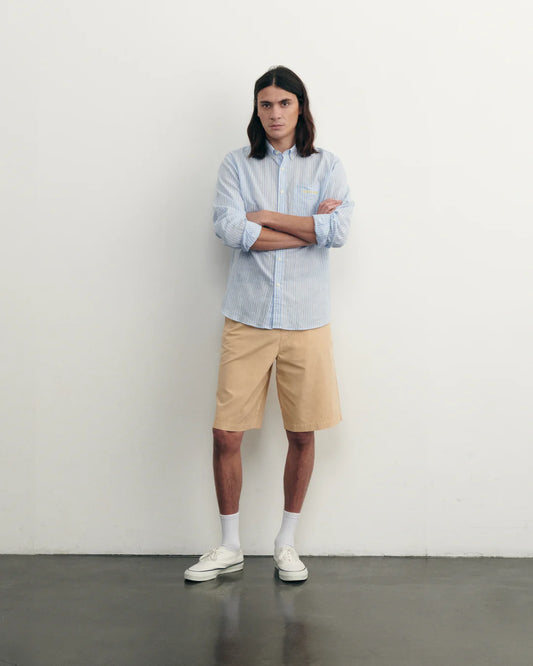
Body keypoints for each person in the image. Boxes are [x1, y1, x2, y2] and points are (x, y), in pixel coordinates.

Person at [184, 65, 354, 583]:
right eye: (266, 104)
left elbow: (339, 230)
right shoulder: (236, 165)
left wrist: (267, 217)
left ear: (300, 107)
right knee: (225, 434)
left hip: (307, 320)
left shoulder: (327, 165)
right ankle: (230, 545)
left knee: (302, 434)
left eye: (284, 103)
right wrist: (308, 229)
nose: (275, 113)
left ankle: (286, 543)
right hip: (248, 318)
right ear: (256, 111)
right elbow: (230, 229)